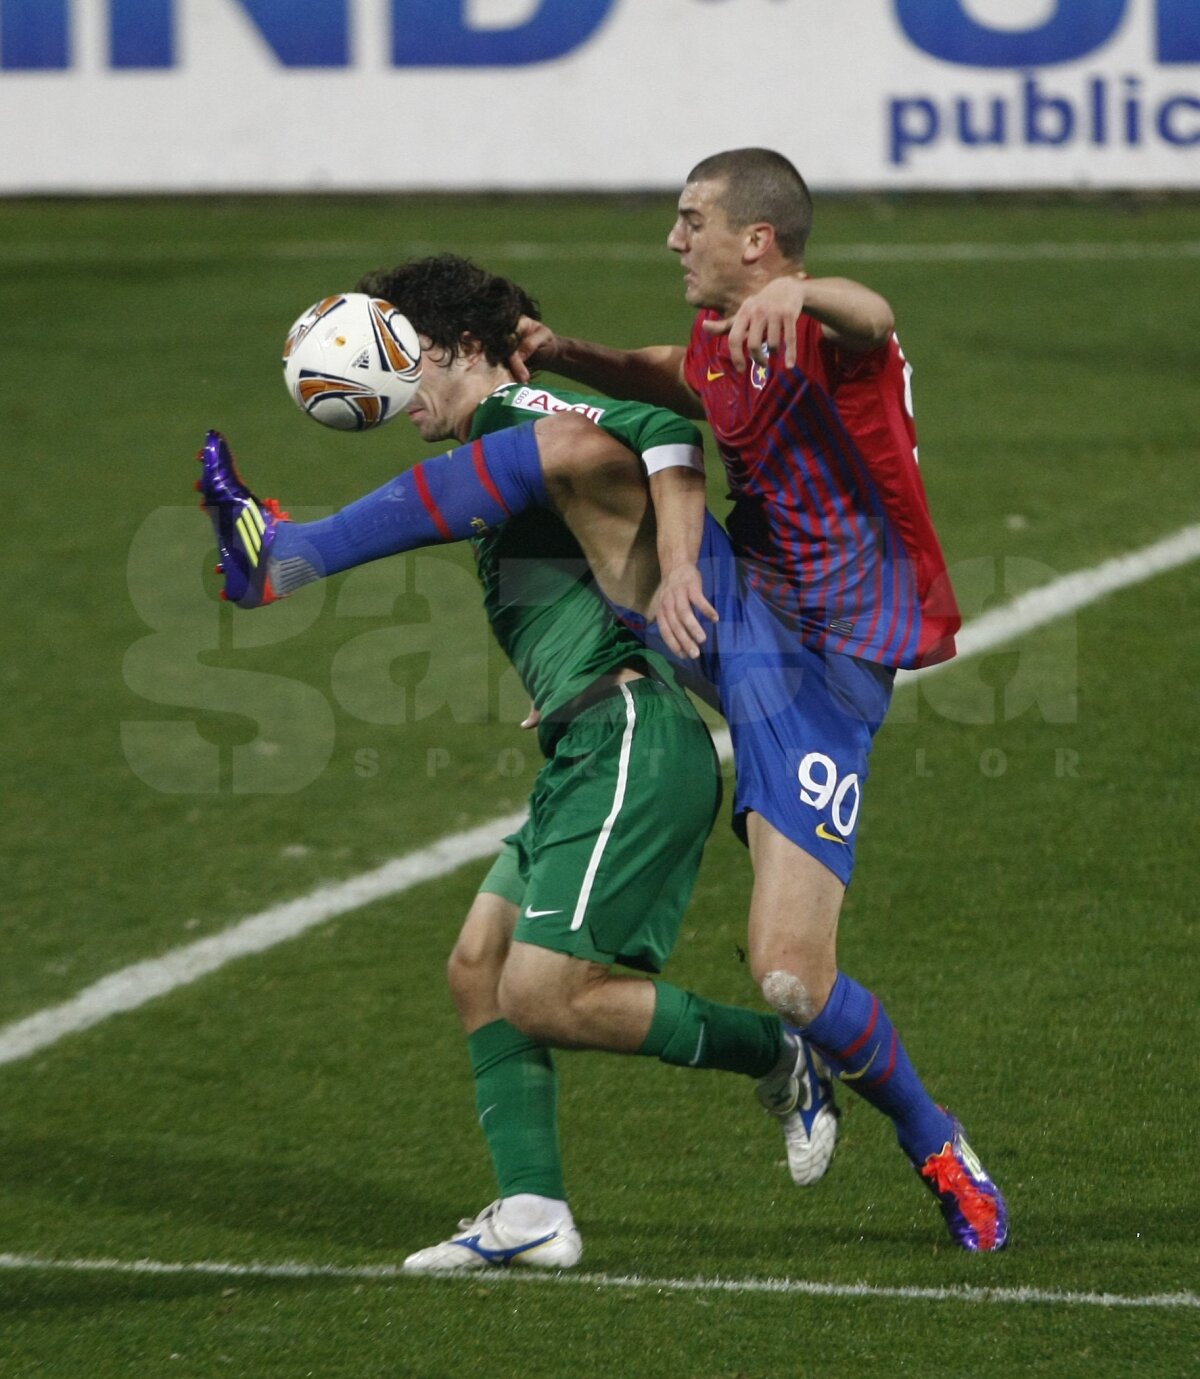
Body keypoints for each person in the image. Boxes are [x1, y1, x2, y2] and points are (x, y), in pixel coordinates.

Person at [196, 150, 1007, 1252]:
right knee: (578, 448)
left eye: (692, 220)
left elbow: (875, 317)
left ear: (757, 240)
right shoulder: (723, 346)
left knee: (790, 974)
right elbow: (670, 387)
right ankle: (533, 1210)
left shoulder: (816, 331)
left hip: (826, 666)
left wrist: (803, 293)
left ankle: (935, 1139)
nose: (673, 239)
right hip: (743, 603)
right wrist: (571, 353)